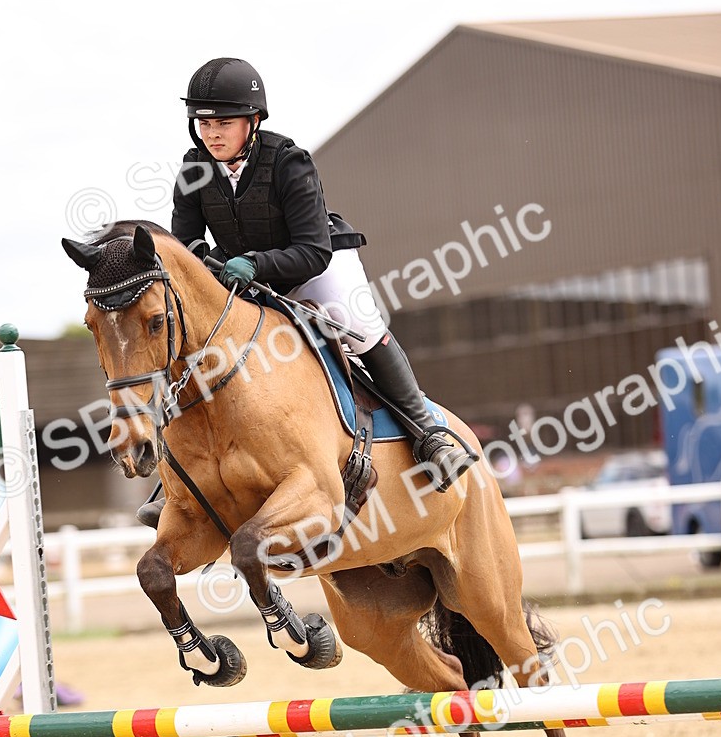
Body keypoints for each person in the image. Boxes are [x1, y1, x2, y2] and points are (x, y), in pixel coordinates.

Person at [138, 57, 475, 527]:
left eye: (223, 123)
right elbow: (185, 243)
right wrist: (204, 261)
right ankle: (177, 478)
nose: (212, 133)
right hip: (242, 275)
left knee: (357, 326)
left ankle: (428, 431)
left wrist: (254, 263)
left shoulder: (290, 162)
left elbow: (312, 250)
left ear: (252, 122)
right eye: (204, 123)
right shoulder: (193, 170)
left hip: (316, 263)